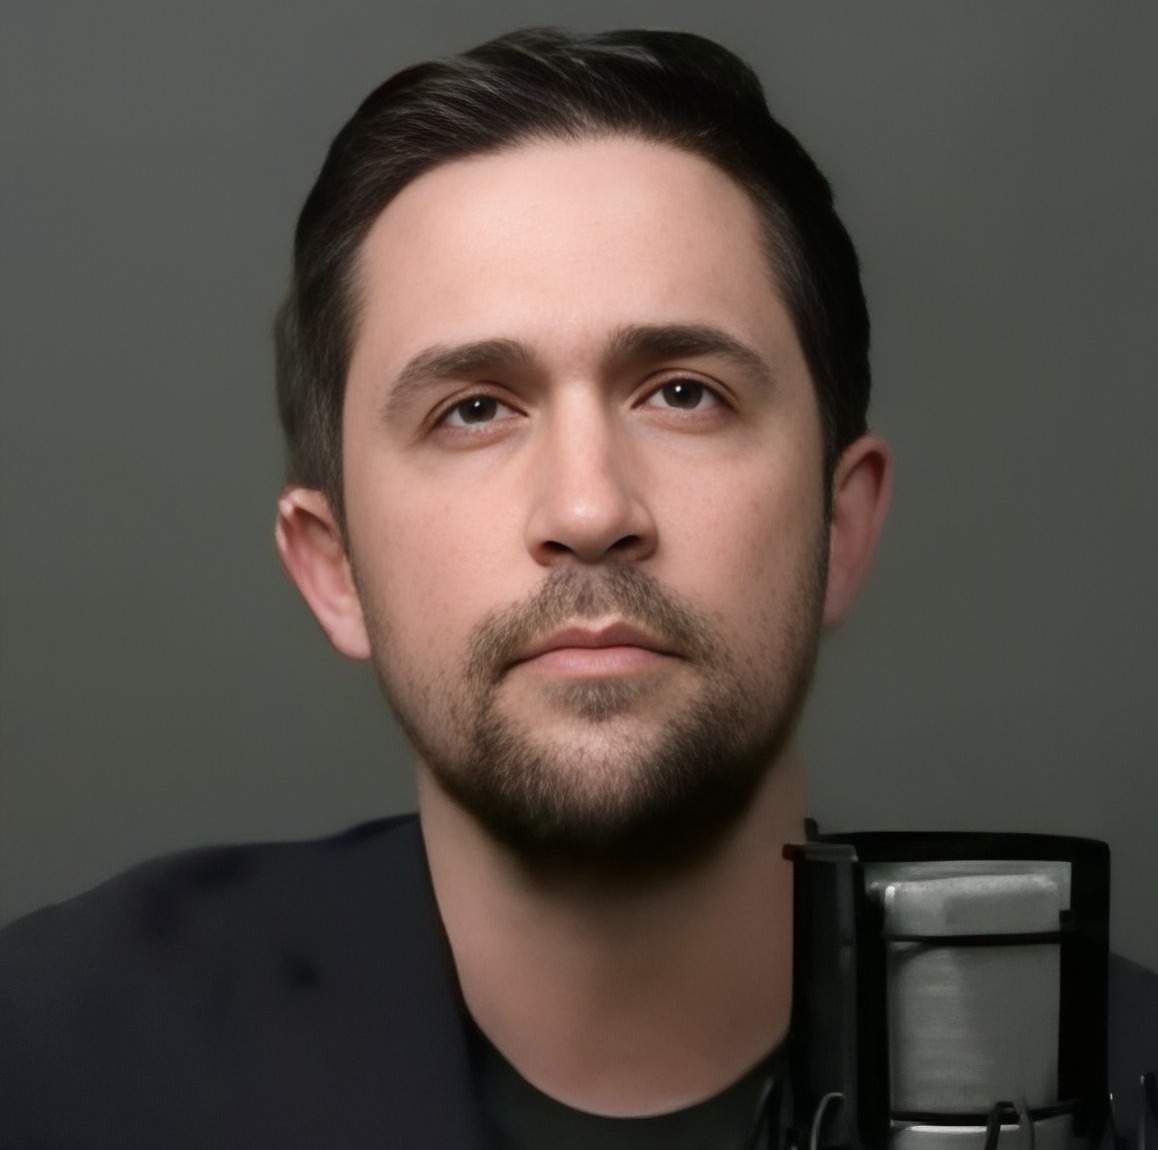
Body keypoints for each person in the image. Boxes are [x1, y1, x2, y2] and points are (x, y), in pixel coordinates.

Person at [1, 27, 1154, 1150]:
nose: (590, 509)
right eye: (474, 409)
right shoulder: (49, 1069)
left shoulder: (1131, 1082)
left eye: (683, 393)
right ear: (333, 566)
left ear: (838, 526)